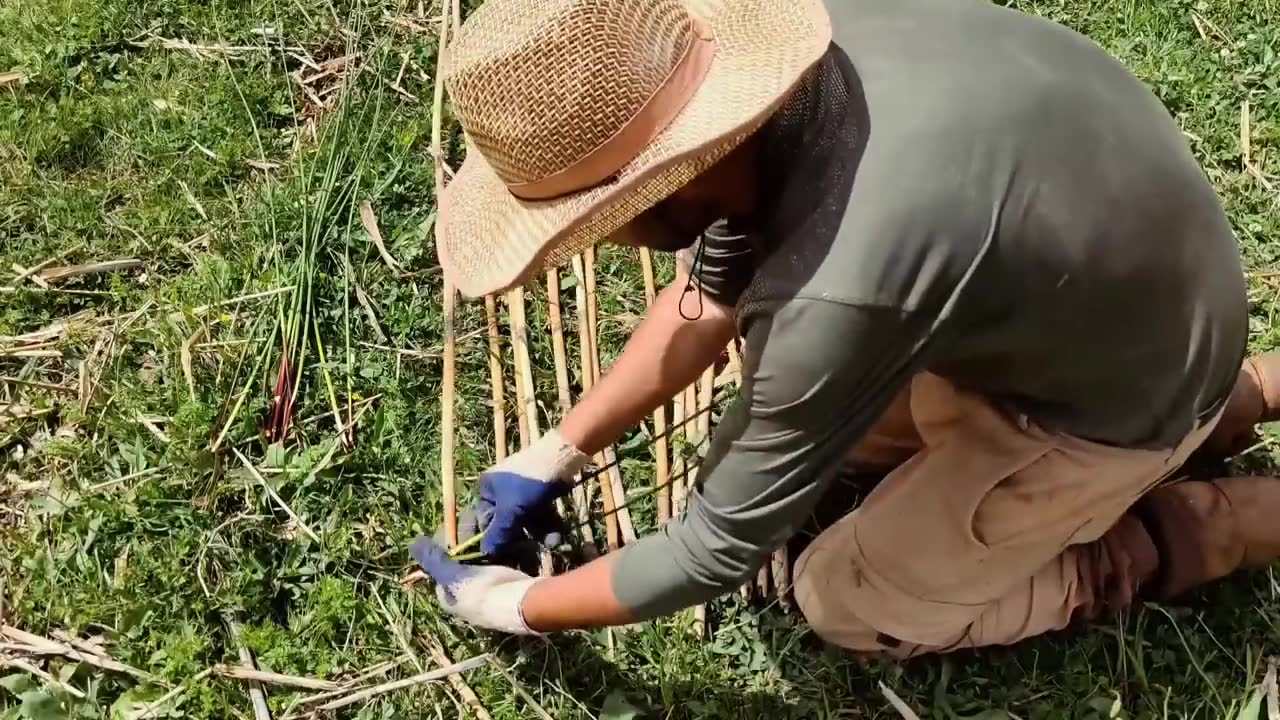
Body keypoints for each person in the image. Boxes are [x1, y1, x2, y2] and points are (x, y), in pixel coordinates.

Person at [409, 0, 1280, 656]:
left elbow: (711, 551)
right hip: (1134, 287)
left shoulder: (840, 289)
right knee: (860, 445)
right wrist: (559, 449)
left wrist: (516, 605)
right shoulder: (808, 55)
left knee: (849, 599)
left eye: (600, 218)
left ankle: (1213, 521)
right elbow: (710, 295)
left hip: (1129, 387)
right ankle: (1234, 397)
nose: (598, 240)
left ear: (672, 182)